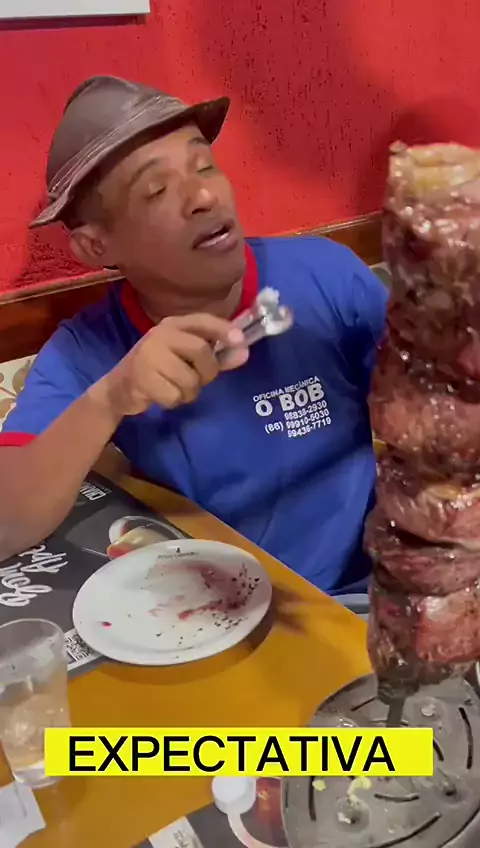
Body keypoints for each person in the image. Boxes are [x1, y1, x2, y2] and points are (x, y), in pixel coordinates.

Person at [0, 75, 388, 595]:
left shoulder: (327, 276)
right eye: (157, 190)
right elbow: (7, 524)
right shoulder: (87, 350)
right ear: (97, 247)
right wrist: (112, 397)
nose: (204, 195)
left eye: (205, 166)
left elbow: (442, 408)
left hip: (372, 594)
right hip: (213, 612)